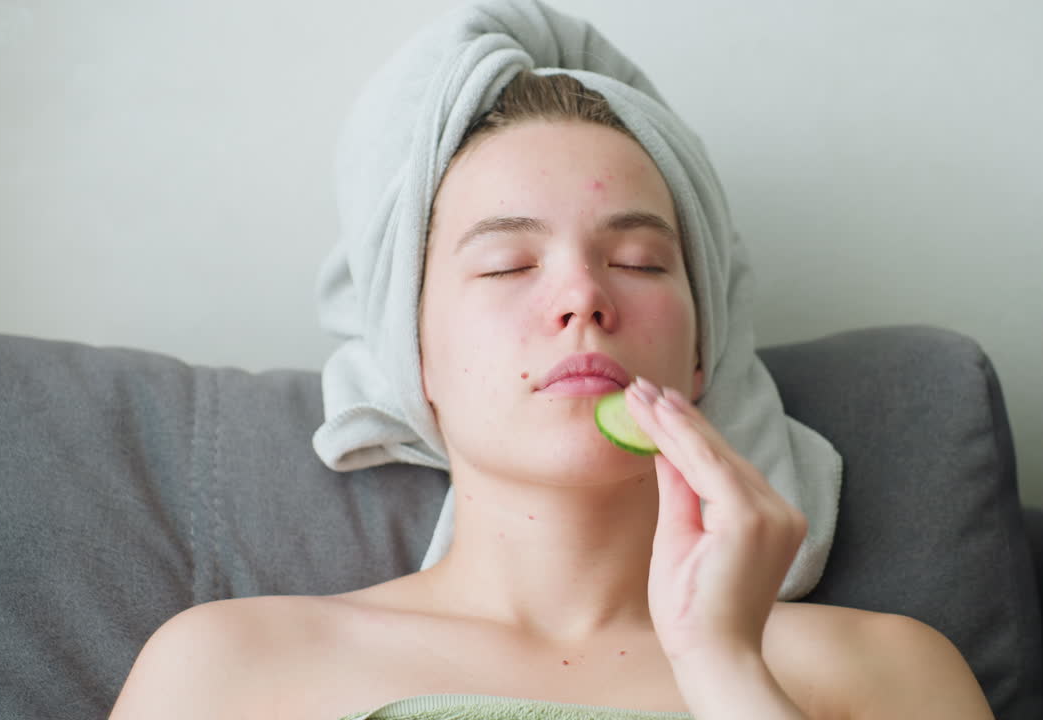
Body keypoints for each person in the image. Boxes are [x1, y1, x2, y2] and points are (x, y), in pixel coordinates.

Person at [109, 66, 994, 719]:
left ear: (699, 358)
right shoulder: (225, 670)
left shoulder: (892, 674)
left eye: (639, 262)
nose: (584, 297)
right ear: (412, 357)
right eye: (506, 264)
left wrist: (726, 667)